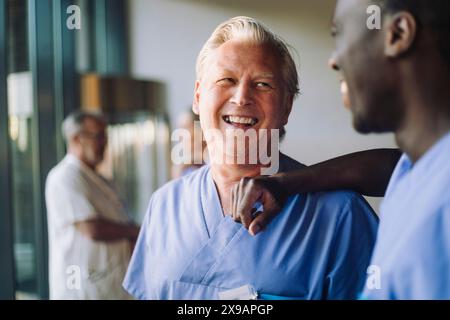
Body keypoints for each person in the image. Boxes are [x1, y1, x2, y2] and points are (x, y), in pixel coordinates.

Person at [123, 16, 378, 300]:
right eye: (226, 80)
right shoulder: (164, 207)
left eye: (263, 84)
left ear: (286, 106)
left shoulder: (340, 215)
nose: (242, 97)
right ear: (198, 97)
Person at [231, 0, 450, 299]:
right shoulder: (417, 171)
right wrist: (285, 183)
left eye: (340, 33)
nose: (333, 60)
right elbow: (387, 166)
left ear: (397, 34)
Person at [45, 111, 140, 299]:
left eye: (105, 136)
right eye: (98, 136)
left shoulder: (102, 179)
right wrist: (135, 231)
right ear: (75, 139)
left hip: (110, 285)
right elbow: (92, 228)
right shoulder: (63, 177)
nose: (104, 142)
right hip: (81, 290)